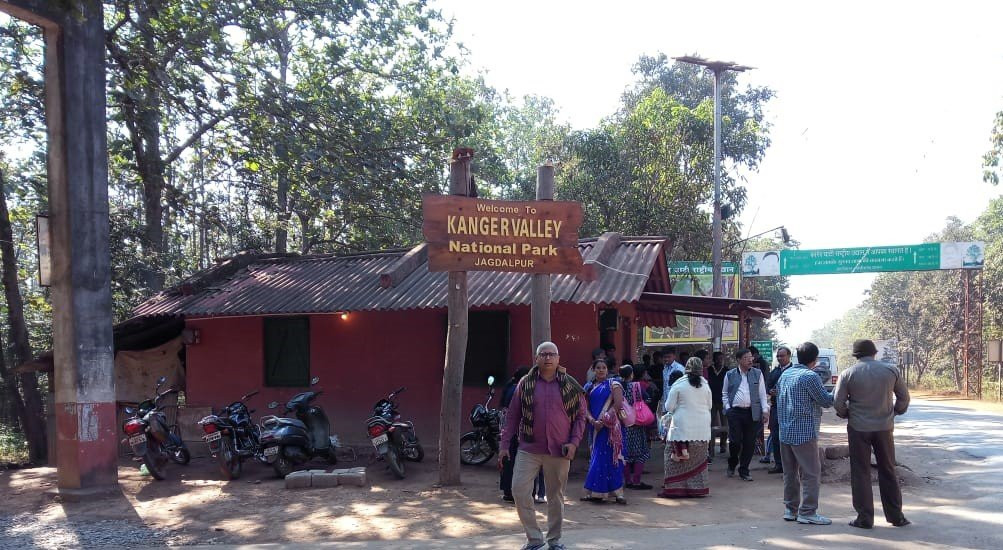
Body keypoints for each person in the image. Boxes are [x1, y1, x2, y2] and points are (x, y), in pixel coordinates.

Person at [499, 342, 586, 550]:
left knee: (555, 497)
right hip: (528, 448)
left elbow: (581, 417)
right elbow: (512, 416)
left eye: (551, 354)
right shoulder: (525, 384)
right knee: (519, 491)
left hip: (560, 450)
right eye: (543, 354)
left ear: (558, 358)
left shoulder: (570, 385)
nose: (547, 358)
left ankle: (554, 541)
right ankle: (534, 539)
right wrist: (503, 444)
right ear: (536, 358)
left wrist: (574, 443)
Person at [834, 339, 911, 530]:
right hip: (884, 427)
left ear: (856, 356)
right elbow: (904, 397)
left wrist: (846, 414)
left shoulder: (848, 373)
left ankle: (864, 518)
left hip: (859, 428)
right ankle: (896, 517)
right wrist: (896, 411)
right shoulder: (890, 370)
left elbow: (838, 402)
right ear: (874, 353)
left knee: (861, 472)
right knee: (888, 470)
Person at [777, 342, 835, 525]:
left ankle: (790, 509)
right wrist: (841, 389)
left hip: (785, 431)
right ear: (815, 359)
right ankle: (808, 511)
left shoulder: (786, 374)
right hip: (804, 432)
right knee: (811, 473)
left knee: (790, 473)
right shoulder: (810, 376)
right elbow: (825, 401)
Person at [658, 356, 712, 498]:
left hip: (681, 429)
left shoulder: (679, 384)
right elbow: (710, 405)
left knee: (672, 459)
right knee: (698, 460)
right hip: (702, 429)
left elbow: (669, 406)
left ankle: (674, 489)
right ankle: (697, 489)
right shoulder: (705, 384)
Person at [581, 360, 627, 504]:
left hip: (611, 429)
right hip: (595, 429)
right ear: (593, 370)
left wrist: (605, 419)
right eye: (598, 368)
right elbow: (584, 407)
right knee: (597, 459)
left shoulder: (614, 384)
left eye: (604, 367)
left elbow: (618, 404)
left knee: (614, 459)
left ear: (607, 370)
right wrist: (592, 421)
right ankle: (595, 492)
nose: (601, 370)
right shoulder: (588, 387)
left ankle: (618, 493)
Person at [500, 366, 546, 504]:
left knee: (510, 462)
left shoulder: (509, 388)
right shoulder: (522, 389)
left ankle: (509, 492)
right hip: (524, 431)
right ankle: (530, 493)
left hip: (510, 431)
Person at [722, 348, 769, 481]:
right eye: (746, 358)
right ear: (738, 360)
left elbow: (762, 394)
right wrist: (728, 408)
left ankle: (744, 470)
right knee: (735, 442)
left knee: (749, 442)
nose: (750, 360)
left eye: (751, 357)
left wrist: (765, 410)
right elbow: (724, 393)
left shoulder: (757, 373)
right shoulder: (730, 374)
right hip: (735, 412)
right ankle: (732, 463)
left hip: (752, 412)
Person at [619, 365, 653, 490]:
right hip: (637, 424)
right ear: (631, 374)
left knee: (625, 454)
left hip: (624, 424)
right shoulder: (636, 386)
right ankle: (637, 481)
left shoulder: (617, 386)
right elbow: (647, 398)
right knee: (641, 453)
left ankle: (627, 480)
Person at [765, 346, 794, 473]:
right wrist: (770, 391)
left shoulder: (794, 371)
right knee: (776, 436)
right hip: (776, 408)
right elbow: (767, 386)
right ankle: (779, 465)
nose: (779, 358)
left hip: (791, 409)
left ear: (789, 356)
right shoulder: (775, 372)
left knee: (791, 437)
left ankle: (791, 465)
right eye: (778, 356)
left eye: (782, 356)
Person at [707, 351, 728, 457]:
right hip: (711, 400)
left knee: (725, 424)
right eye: (718, 359)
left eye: (722, 358)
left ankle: (723, 445)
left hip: (723, 401)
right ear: (714, 360)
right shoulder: (709, 370)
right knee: (710, 424)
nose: (720, 361)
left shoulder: (726, 370)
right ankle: (711, 446)